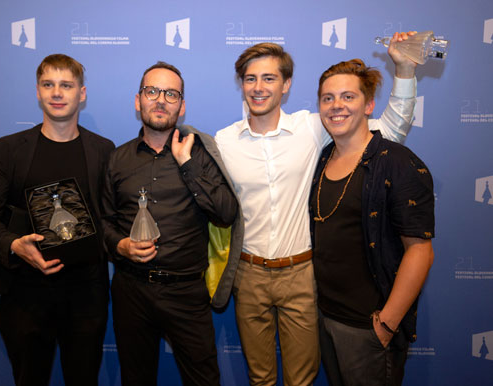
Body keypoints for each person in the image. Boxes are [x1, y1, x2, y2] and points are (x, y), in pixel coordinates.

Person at [214, 32, 419, 386]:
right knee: (259, 378)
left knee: (302, 380)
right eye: (250, 78)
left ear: (286, 85)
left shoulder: (314, 127)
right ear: (242, 85)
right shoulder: (224, 140)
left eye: (269, 77)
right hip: (247, 276)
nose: (258, 87)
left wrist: (403, 73)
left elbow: (389, 131)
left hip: (302, 275)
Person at [0, 54, 114, 386]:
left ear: (82, 93)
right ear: (37, 92)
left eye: (66, 85)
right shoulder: (7, 150)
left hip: (86, 294)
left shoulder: (104, 151)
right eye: (48, 85)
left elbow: (113, 218)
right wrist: (13, 245)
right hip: (24, 292)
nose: (57, 93)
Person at [102, 61, 238, 386]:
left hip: (187, 293)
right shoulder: (116, 159)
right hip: (131, 290)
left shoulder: (201, 155)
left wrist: (187, 165)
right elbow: (103, 222)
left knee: (204, 379)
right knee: (136, 379)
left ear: (182, 105)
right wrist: (120, 245)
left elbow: (226, 213)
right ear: (138, 101)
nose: (161, 100)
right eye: (152, 91)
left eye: (171, 94)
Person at [310, 58, 435, 385]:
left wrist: (387, 323)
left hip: (370, 327)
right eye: (328, 98)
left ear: (369, 105)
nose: (336, 106)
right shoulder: (323, 158)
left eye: (348, 97)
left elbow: (420, 251)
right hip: (327, 319)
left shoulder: (396, 163)